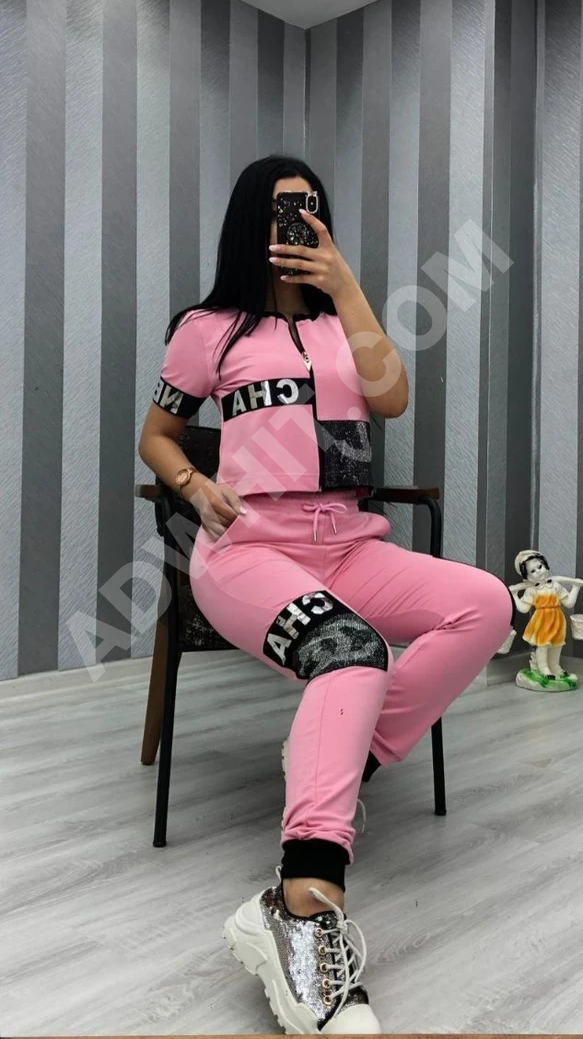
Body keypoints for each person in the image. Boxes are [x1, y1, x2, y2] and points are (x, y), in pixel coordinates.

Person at [138, 155, 513, 1035]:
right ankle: (302, 901)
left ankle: (339, 762)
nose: (297, 223)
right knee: (352, 652)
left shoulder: (347, 324)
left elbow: (392, 399)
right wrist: (194, 485)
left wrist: (346, 286)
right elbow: (156, 436)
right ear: (250, 222)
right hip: (247, 552)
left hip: (347, 543)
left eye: (309, 208)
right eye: (281, 209)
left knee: (486, 603)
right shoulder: (207, 329)